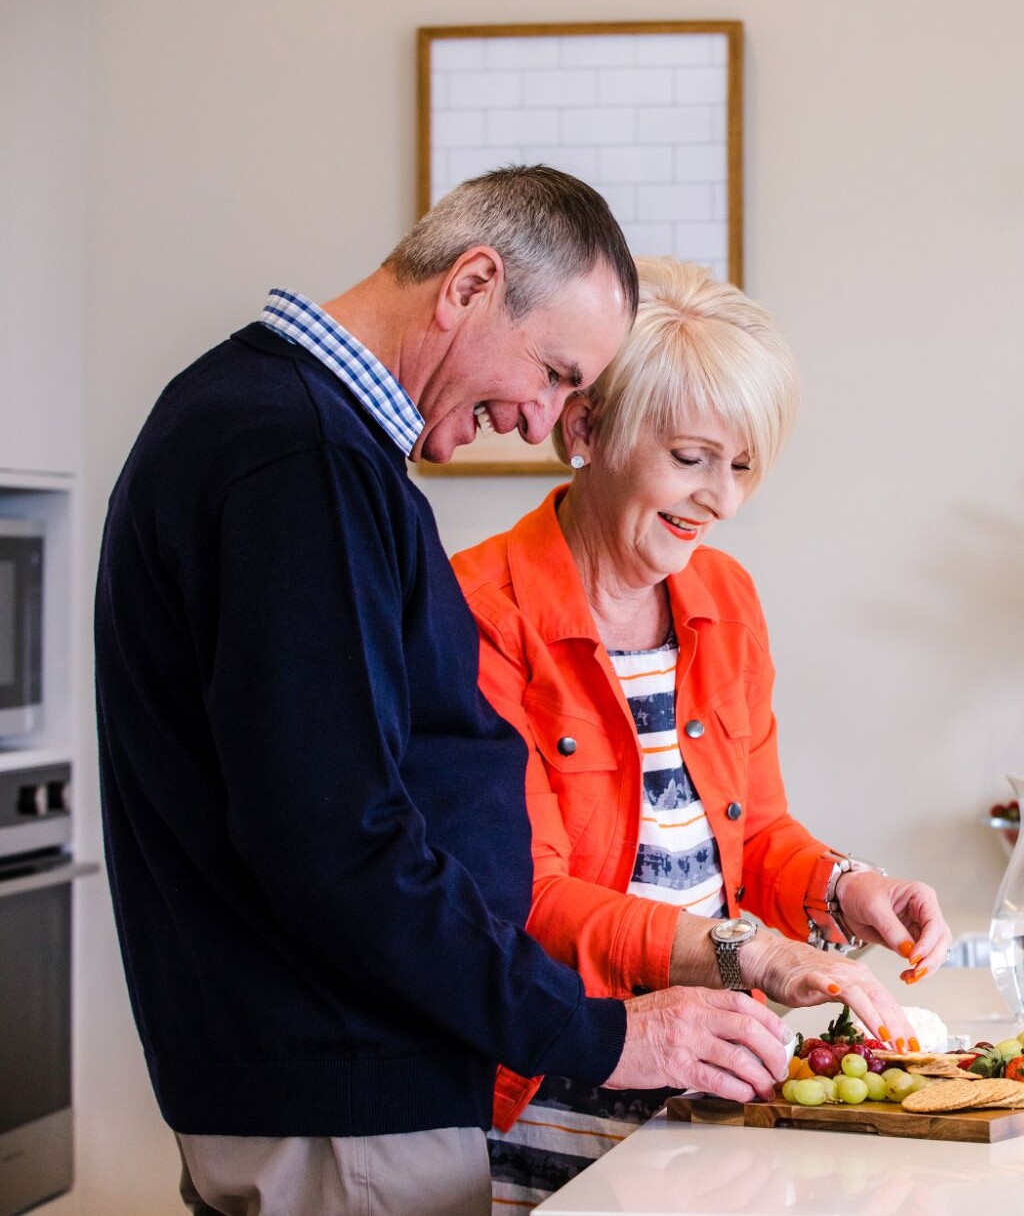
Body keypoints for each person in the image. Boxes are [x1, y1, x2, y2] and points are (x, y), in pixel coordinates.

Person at [96, 168, 793, 1216]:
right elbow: (338, 842)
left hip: (341, 1085)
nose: (543, 420)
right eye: (553, 373)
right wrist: (598, 1031)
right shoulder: (299, 458)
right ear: (469, 286)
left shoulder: (286, 432)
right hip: (341, 1097)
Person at [451, 258, 951, 1207]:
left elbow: (756, 834)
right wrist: (742, 949)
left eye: (744, 465)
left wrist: (845, 887)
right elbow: (528, 899)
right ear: (586, 429)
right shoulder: (481, 609)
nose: (721, 499)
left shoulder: (726, 596)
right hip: (561, 1088)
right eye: (691, 458)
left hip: (714, 1080)